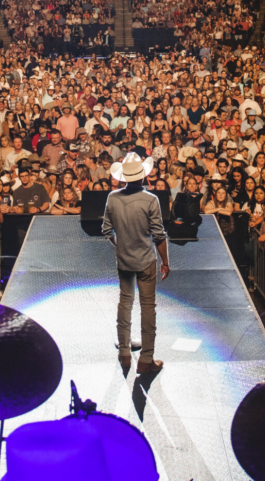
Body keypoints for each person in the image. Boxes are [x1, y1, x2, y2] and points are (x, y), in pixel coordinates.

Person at [102, 155, 169, 375]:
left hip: (124, 261)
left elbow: (106, 230)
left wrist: (120, 245)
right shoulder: (151, 200)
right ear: (142, 176)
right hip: (146, 261)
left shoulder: (112, 198)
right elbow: (158, 236)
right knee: (148, 307)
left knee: (125, 303)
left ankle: (124, 352)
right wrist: (165, 262)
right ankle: (146, 359)